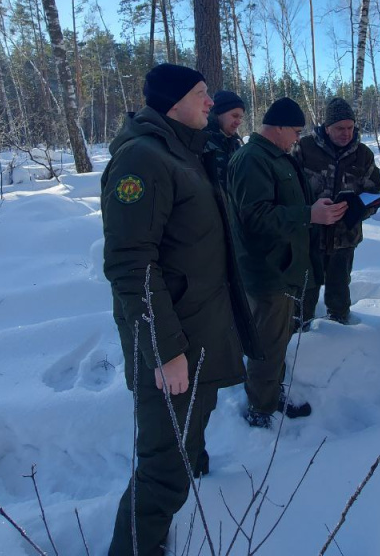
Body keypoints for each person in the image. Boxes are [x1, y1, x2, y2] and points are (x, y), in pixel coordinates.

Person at [103, 63, 260, 556]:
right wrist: (164, 351)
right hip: (174, 352)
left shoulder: (184, 154)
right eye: (200, 94)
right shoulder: (143, 161)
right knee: (164, 471)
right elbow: (131, 265)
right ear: (173, 103)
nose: (210, 103)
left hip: (200, 338)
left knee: (183, 456)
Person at [227, 97, 347, 428]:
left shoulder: (276, 157)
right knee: (266, 344)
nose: (297, 138)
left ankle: (270, 392)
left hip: (283, 266)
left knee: (277, 340)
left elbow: (285, 202)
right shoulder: (252, 159)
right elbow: (255, 216)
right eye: (294, 131)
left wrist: (313, 205)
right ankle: (260, 410)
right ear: (278, 127)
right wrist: (309, 214)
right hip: (265, 270)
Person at [293, 97, 380, 326]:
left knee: (340, 290)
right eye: (340, 128)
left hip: (345, 237)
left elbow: (373, 189)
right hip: (309, 236)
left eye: (350, 128)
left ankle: (341, 327)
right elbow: (288, 189)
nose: (346, 133)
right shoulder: (304, 148)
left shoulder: (363, 154)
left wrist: (360, 210)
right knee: (304, 293)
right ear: (326, 127)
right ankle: (300, 332)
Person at [204, 89, 246, 192]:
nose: (238, 122)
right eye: (234, 116)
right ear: (219, 113)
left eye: (241, 117)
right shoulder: (201, 140)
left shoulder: (235, 143)